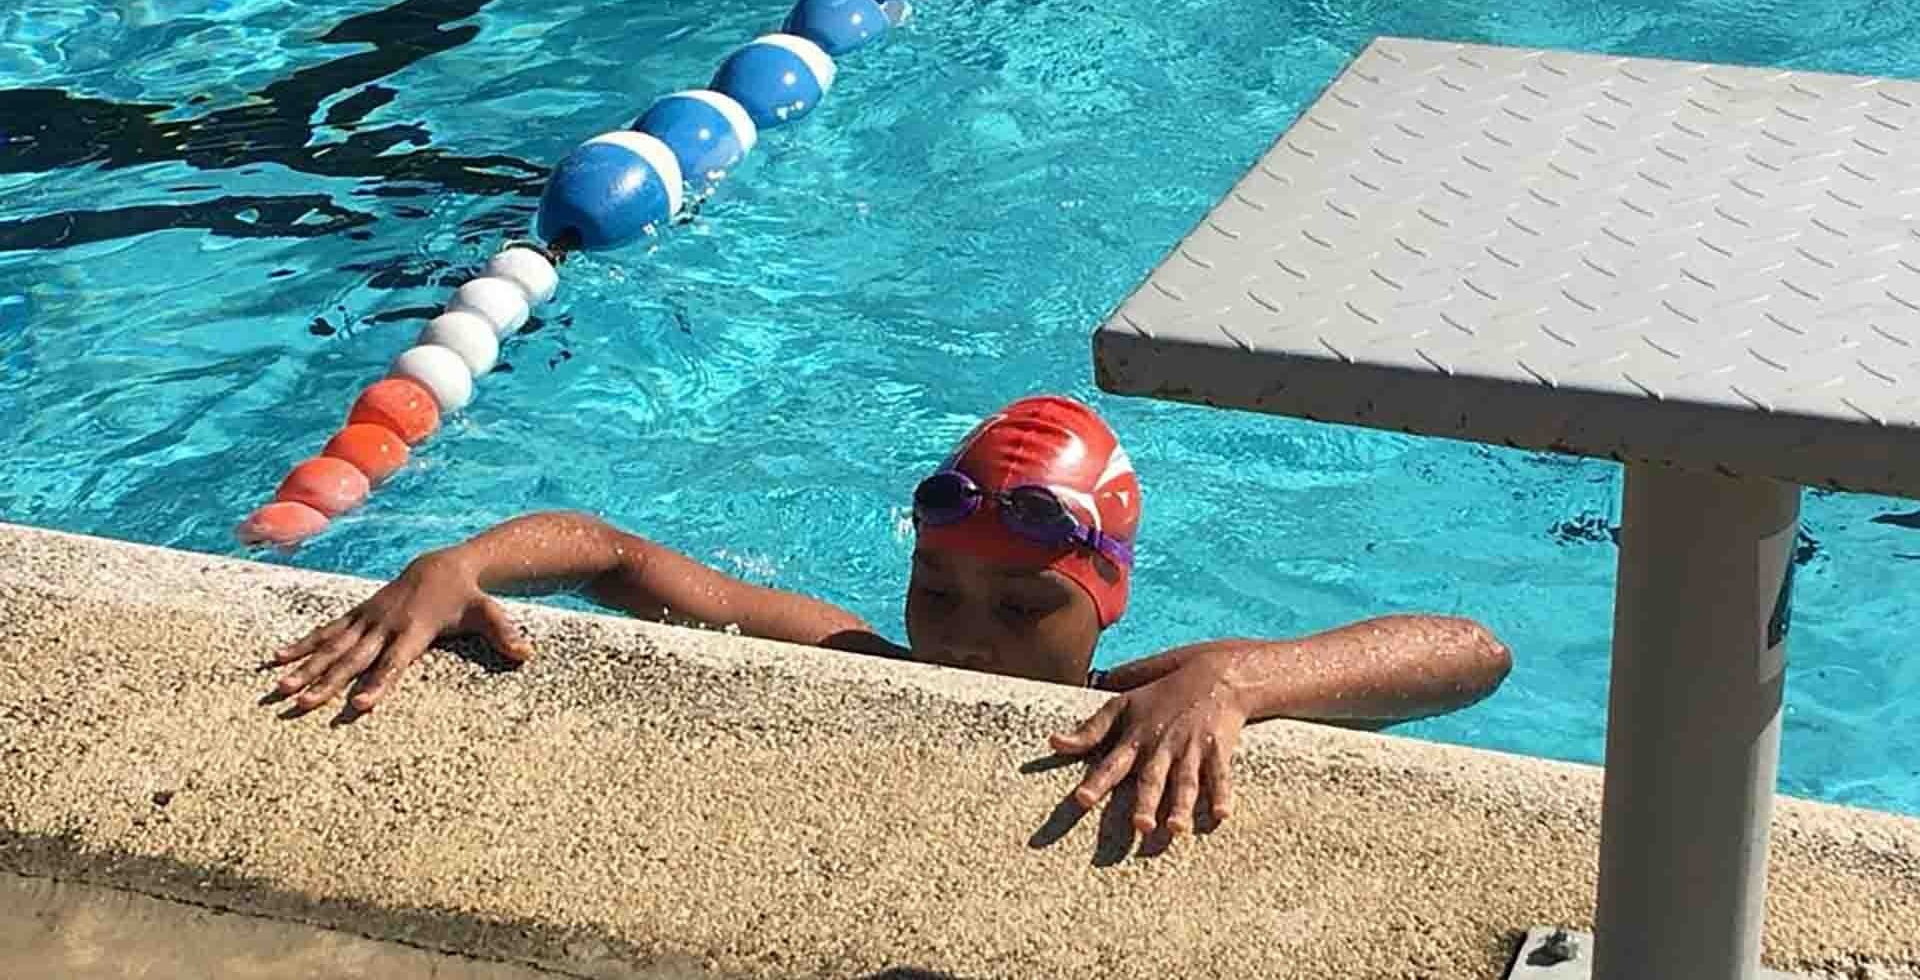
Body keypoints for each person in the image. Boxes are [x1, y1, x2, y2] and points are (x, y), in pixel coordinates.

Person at [267, 394, 1511, 837]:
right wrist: (453, 563)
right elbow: (610, 551)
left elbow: (1471, 654)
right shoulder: (849, 655)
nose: (967, 634)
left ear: (1099, 605)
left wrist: (1242, 679)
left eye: (1023, 604)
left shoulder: (1147, 697)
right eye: (938, 591)